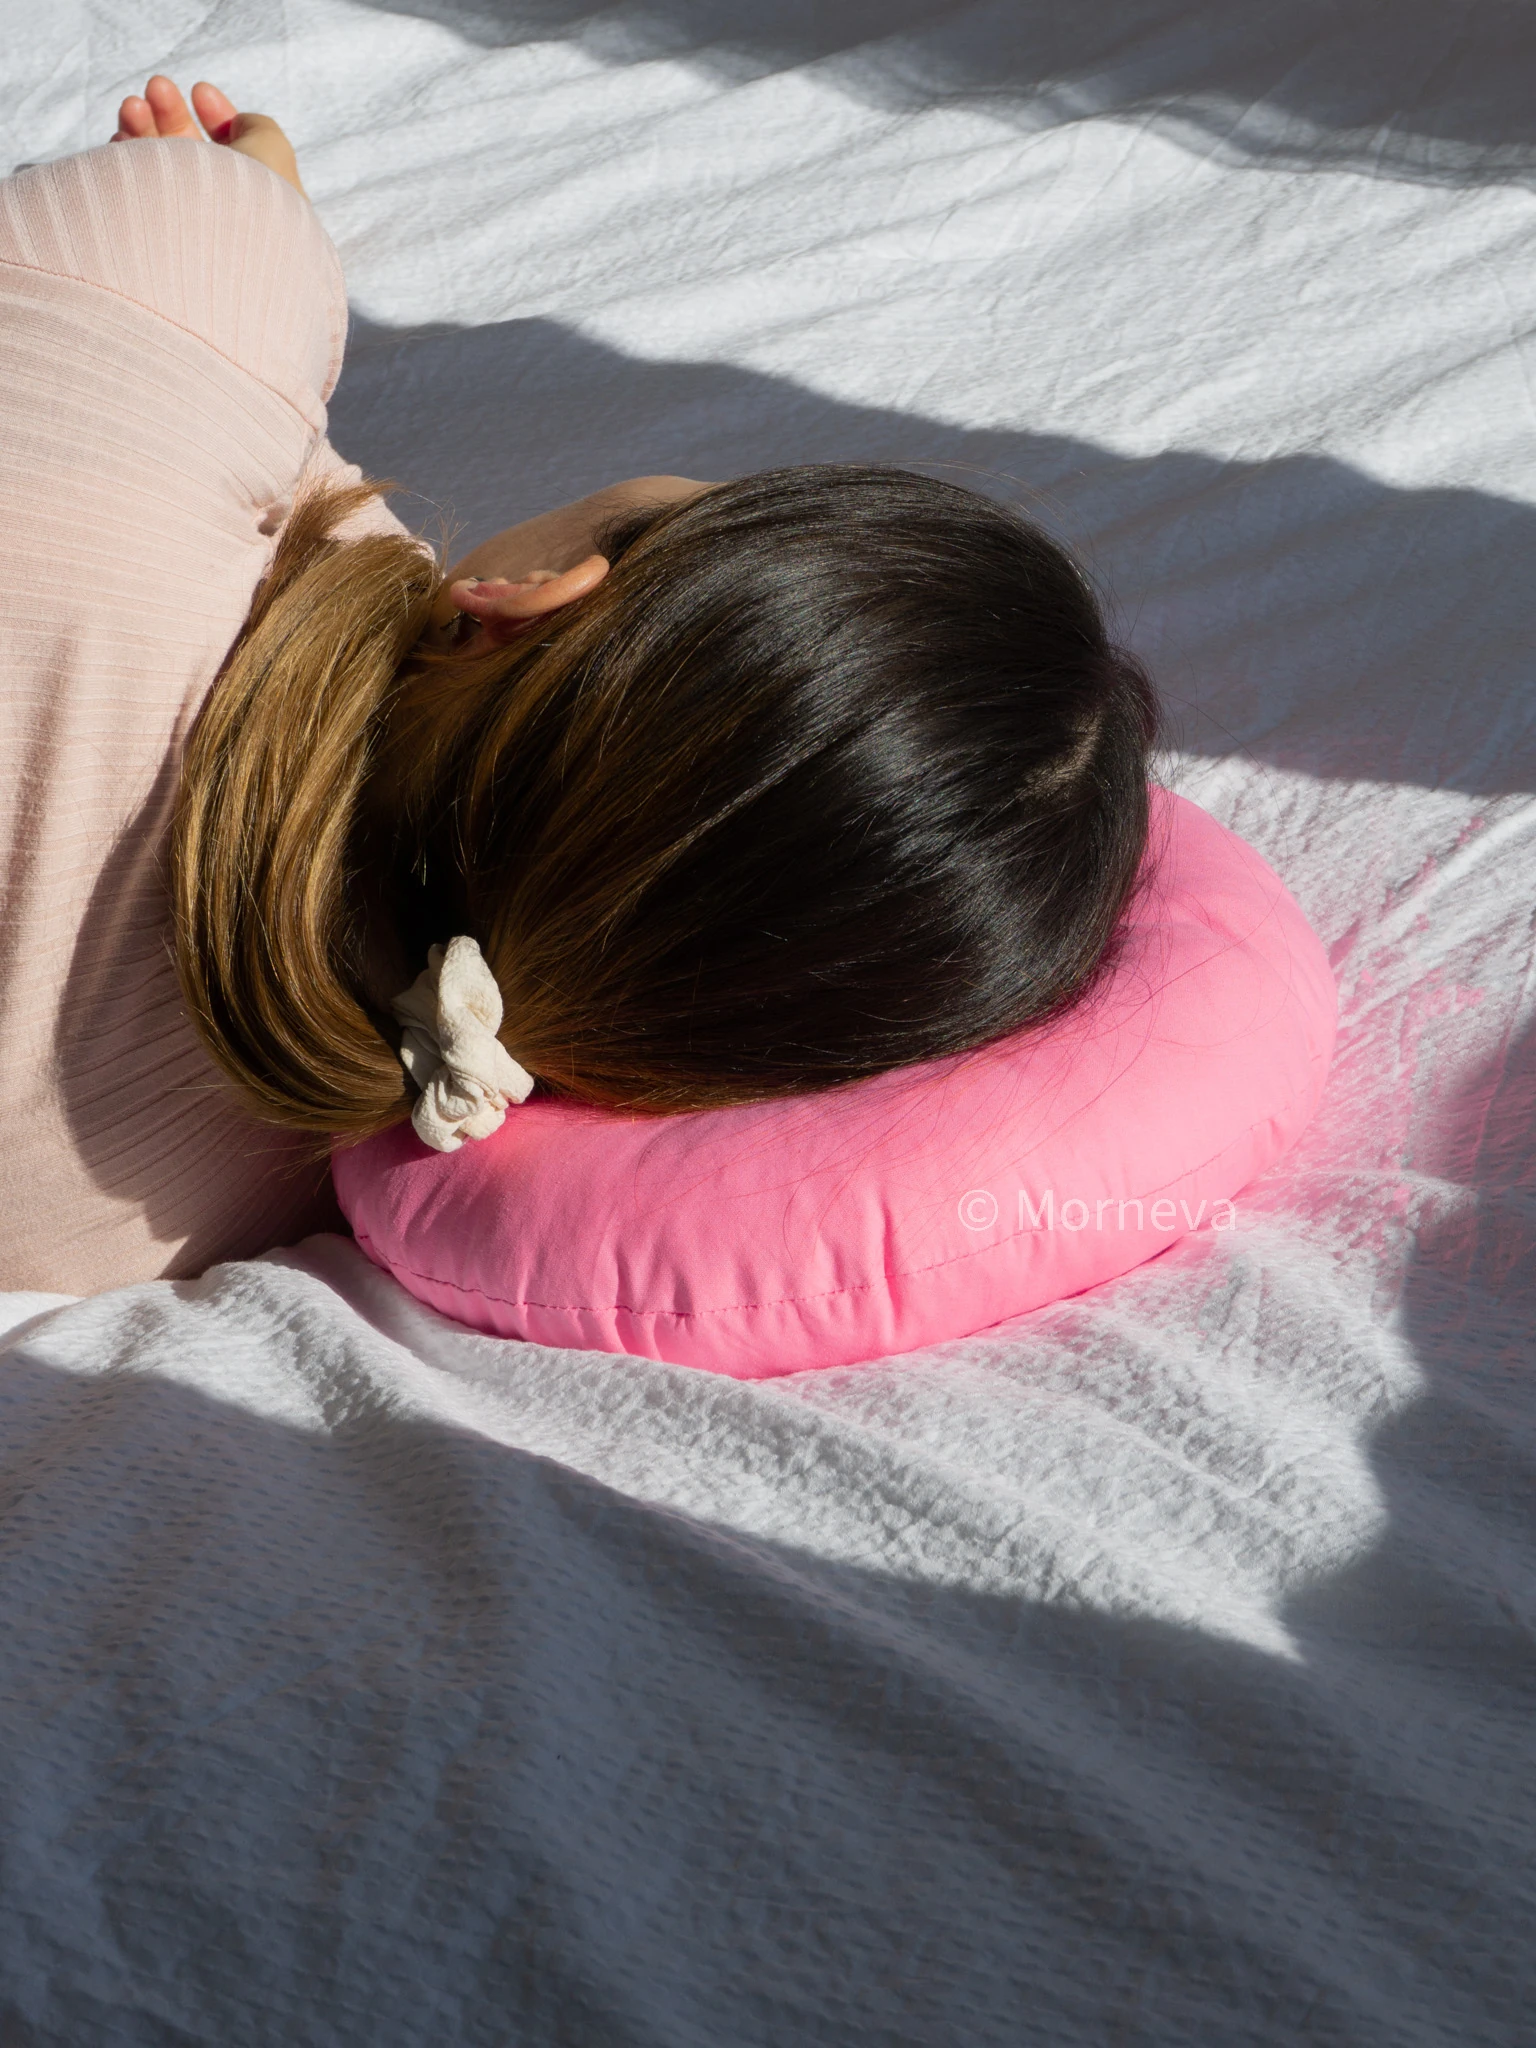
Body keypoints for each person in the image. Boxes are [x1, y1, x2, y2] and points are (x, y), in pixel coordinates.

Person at [0, 75, 1158, 1294]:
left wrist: (243, 233)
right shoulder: (170, 1209)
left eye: (707, 496)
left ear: (543, 592)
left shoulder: (173, 282)